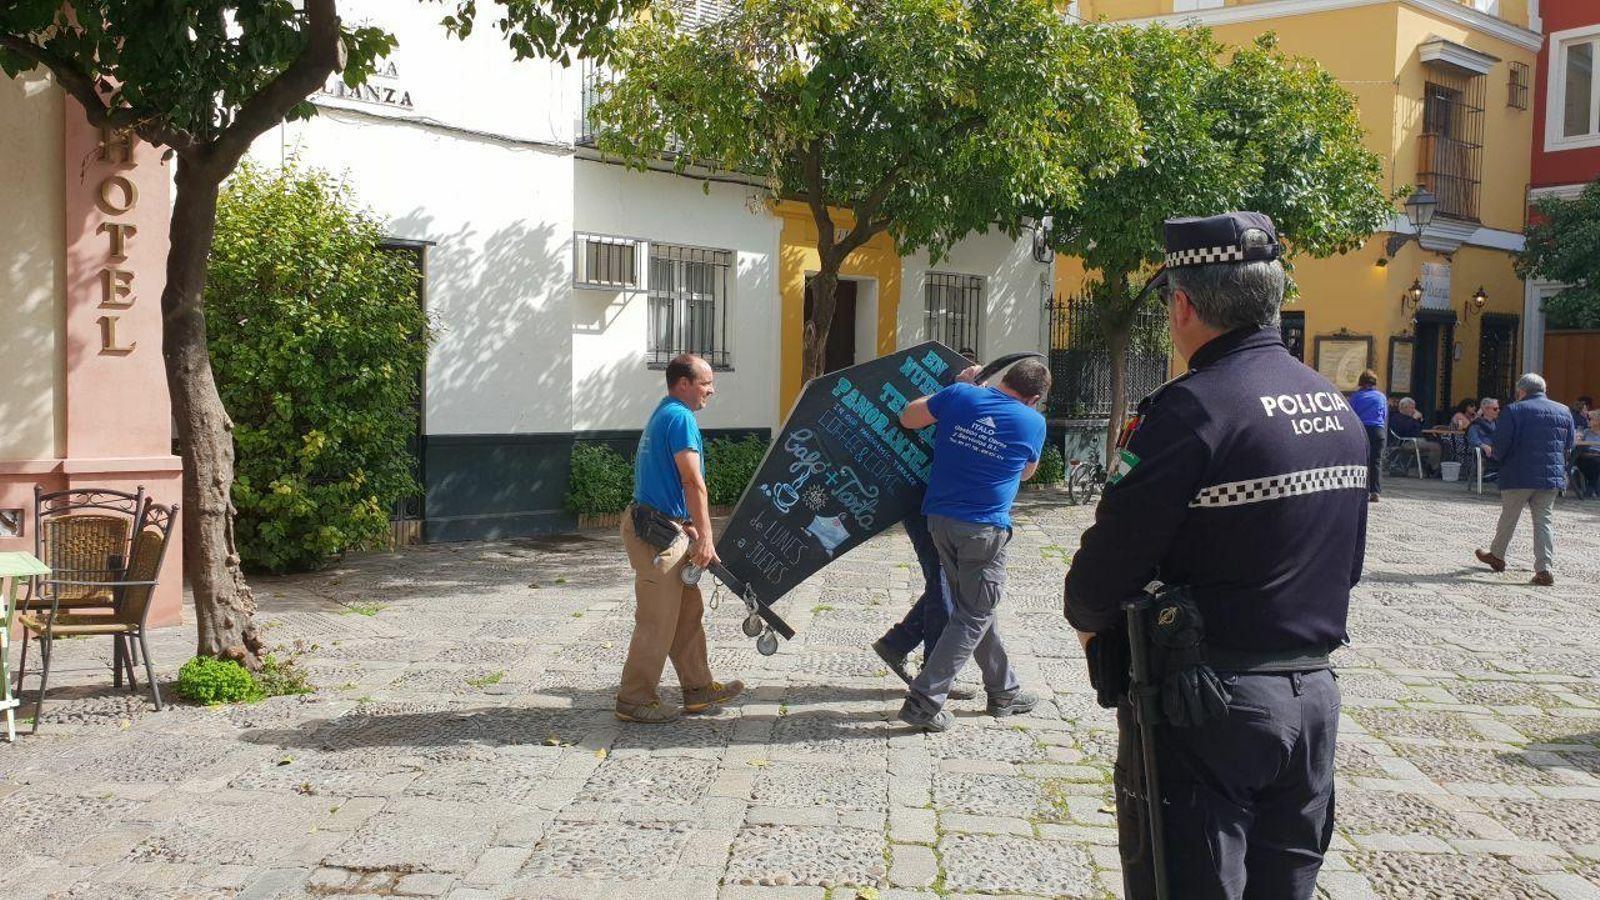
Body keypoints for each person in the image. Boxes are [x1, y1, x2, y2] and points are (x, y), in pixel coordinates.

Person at [1064, 212, 1368, 900]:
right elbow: (1346, 564)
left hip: (1208, 706)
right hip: (1312, 699)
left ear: (1182, 305)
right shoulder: (1335, 403)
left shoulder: (1194, 408)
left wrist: (1088, 619)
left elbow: (1107, 568)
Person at [894, 358, 1050, 732]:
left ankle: (1003, 690)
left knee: (975, 605)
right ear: (1034, 398)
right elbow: (1027, 471)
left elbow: (908, 416)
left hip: (940, 522)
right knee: (975, 611)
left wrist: (965, 388)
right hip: (984, 528)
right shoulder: (1033, 422)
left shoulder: (961, 395)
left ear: (1005, 378)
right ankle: (924, 700)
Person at [616, 354, 744, 723]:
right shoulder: (681, 418)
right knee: (657, 619)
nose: (711, 390)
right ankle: (634, 698)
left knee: (687, 613)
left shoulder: (666, 413)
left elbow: (662, 480)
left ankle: (698, 688)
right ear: (683, 383)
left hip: (664, 527)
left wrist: (685, 524)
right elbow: (691, 481)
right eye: (705, 383)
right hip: (656, 536)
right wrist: (705, 536)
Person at [1474, 373, 1577, 586]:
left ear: (1521, 391)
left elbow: (1501, 443)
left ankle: (1497, 555)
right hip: (1549, 476)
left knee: (1509, 517)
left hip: (1518, 473)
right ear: (1543, 390)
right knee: (1544, 521)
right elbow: (1569, 444)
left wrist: (1496, 459)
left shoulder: (1514, 410)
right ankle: (1544, 568)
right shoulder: (1563, 410)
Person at [1350, 370, 1386, 501]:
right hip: (1378, 431)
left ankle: (1360, 490)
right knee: (1375, 461)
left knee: (1360, 460)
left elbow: (1351, 414)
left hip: (1362, 430)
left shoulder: (1356, 397)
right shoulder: (1381, 396)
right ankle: (1375, 491)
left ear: (1361, 382)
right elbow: (1383, 415)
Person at [1390, 397, 1442, 476]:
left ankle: (1431, 467)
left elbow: (1421, 429)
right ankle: (1433, 470)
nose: (1414, 410)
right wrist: (1414, 419)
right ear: (1404, 407)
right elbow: (1405, 431)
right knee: (1436, 446)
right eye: (1412, 408)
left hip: (1418, 440)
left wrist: (1420, 420)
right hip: (1407, 442)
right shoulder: (1397, 417)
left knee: (1438, 442)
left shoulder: (1410, 418)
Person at [1467, 398, 1500, 482]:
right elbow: (1473, 440)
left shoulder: (1499, 423)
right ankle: (1492, 473)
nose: (1498, 411)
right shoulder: (1476, 424)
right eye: (1495, 409)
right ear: (1486, 409)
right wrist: (1483, 445)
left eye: (1498, 408)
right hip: (1484, 452)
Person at [1575, 409, 1600, 499]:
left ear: (1598, 421)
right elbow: (1577, 442)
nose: (1587, 421)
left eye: (1590, 419)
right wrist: (1578, 437)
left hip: (1597, 457)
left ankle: (1590, 489)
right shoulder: (1585, 432)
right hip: (1585, 456)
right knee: (1592, 463)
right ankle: (1593, 488)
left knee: (1596, 463)